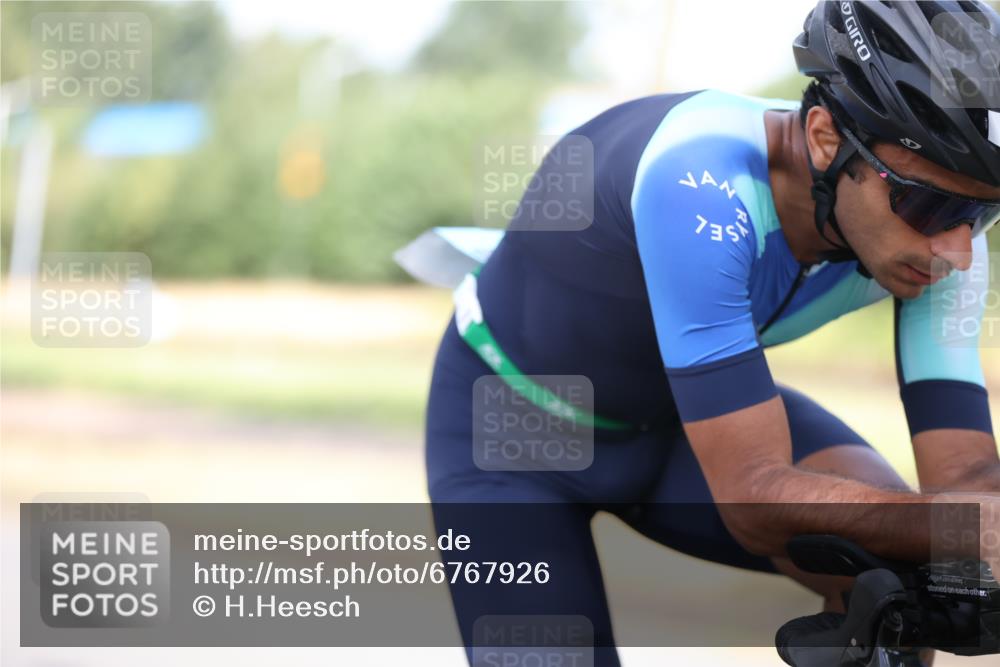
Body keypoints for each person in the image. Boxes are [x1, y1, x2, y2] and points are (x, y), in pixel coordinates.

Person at [424, 1, 1000, 665]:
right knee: (931, 533)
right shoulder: (700, 180)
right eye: (929, 204)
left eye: (981, 215)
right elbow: (753, 498)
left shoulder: (943, 243)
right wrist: (961, 528)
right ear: (823, 137)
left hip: (679, 427)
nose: (955, 248)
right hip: (511, 439)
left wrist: (963, 568)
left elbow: (966, 477)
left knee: (904, 585)